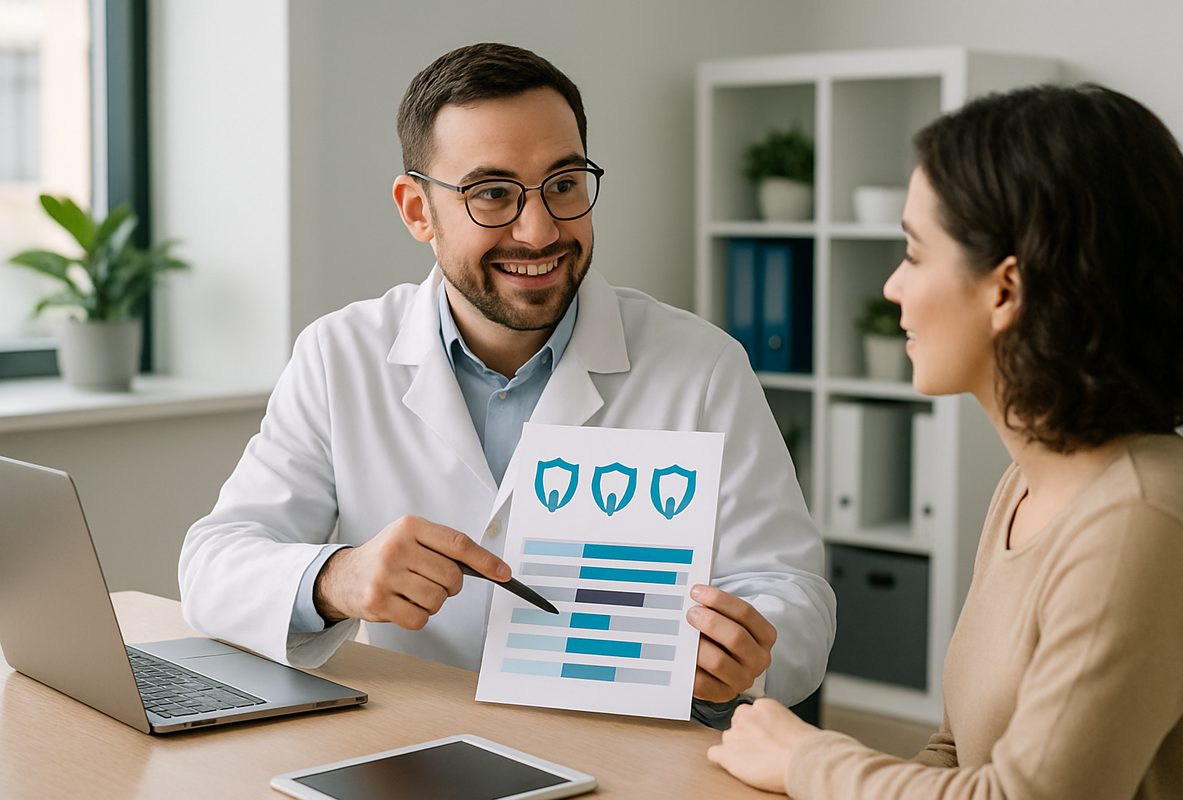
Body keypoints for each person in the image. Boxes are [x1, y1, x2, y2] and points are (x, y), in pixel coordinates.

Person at [178, 42, 835, 725]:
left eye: (564, 183)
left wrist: (743, 650)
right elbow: (212, 566)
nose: (540, 230)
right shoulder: (338, 355)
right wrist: (336, 578)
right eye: (493, 193)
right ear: (417, 210)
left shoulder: (703, 366)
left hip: (632, 746)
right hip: (419, 742)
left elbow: (795, 593)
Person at [709, 82, 1183, 797]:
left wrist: (808, 761)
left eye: (913, 254)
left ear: (1006, 290)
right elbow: (960, 750)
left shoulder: (1138, 521)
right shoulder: (1028, 483)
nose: (891, 287)